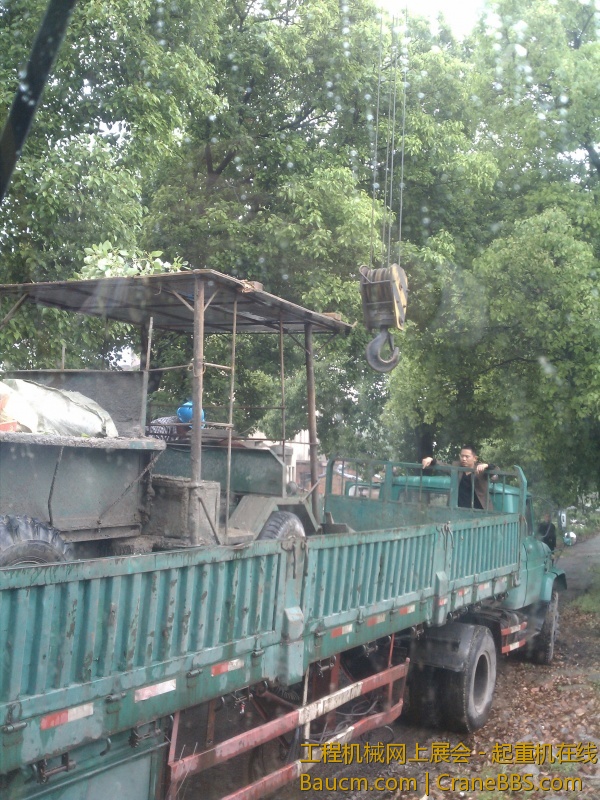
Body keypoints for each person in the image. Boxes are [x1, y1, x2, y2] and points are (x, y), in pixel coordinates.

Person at [421, 445, 497, 510]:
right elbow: (443, 466)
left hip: (479, 510)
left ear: (475, 458)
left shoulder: (480, 468)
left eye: (467, 457)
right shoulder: (456, 466)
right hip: (459, 509)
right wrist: (431, 460)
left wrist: (487, 465)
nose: (464, 459)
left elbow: (497, 470)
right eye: (462, 456)